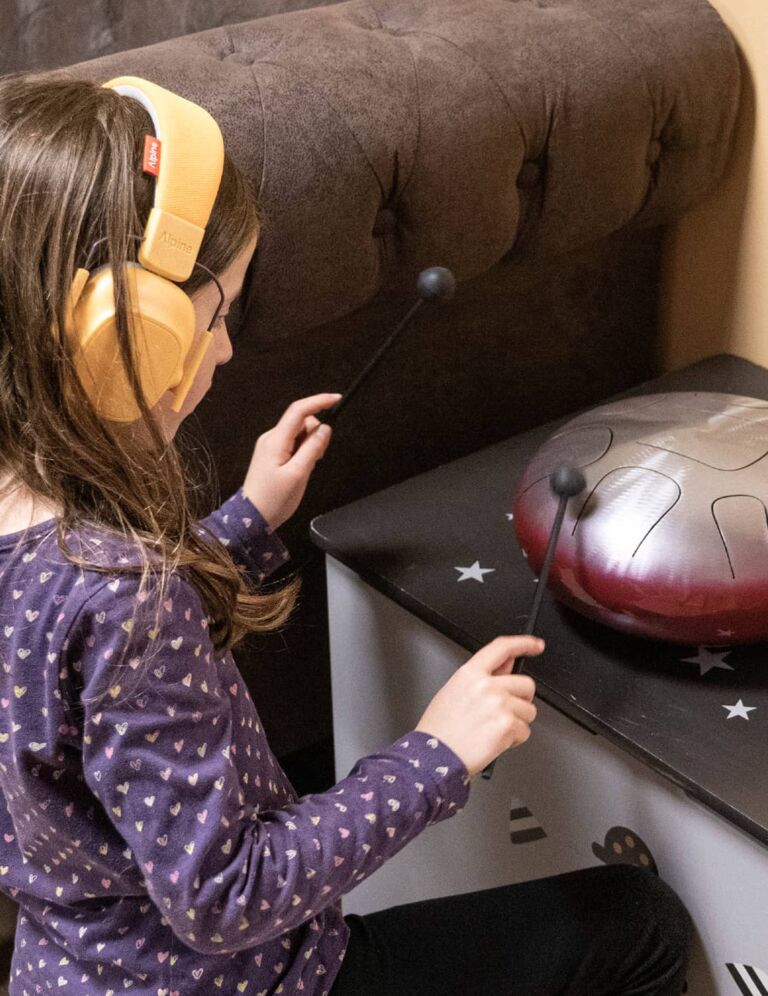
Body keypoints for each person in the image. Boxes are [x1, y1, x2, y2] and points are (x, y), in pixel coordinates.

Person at [0, 72, 693, 996]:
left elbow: (65, 684)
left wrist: (246, 521)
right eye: (216, 318)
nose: (226, 351)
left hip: (71, 967)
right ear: (124, 339)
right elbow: (229, 897)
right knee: (641, 926)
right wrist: (436, 752)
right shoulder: (124, 598)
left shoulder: (59, 554)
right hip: (248, 977)